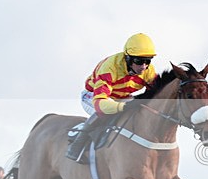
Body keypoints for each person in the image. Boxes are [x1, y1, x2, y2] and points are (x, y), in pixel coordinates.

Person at [66, 33, 158, 163]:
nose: (143, 67)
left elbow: (157, 95)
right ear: (128, 58)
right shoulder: (110, 68)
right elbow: (100, 104)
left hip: (122, 97)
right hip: (94, 96)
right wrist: (123, 107)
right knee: (106, 116)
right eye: (139, 61)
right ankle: (76, 145)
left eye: (147, 61)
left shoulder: (148, 71)